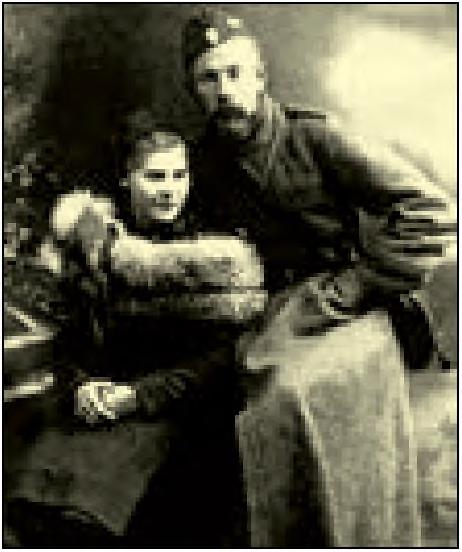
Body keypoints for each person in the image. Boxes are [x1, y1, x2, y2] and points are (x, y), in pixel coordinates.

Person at [180, 7, 457, 546]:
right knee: (226, 408)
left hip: (345, 307)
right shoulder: (201, 162)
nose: (225, 90)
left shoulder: (314, 137)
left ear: (260, 76)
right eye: (209, 78)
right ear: (195, 90)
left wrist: (360, 284)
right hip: (266, 312)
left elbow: (430, 211)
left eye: (235, 73)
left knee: (288, 396)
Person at [5, 118, 266, 547]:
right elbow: (73, 338)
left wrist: (137, 397)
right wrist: (82, 386)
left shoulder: (212, 255)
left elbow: (218, 363)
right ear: (126, 179)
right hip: (100, 400)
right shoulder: (99, 246)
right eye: (155, 177)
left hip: (172, 410)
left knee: (105, 519)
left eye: (179, 176)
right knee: (29, 506)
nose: (169, 190)